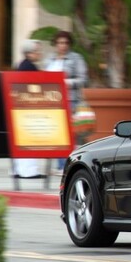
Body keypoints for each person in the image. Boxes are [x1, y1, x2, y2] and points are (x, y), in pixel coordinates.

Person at [44, 31, 88, 173]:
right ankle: (59, 164)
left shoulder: (76, 58)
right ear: (55, 44)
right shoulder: (50, 59)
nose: (62, 46)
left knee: (68, 133)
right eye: (60, 43)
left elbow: (83, 79)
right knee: (56, 133)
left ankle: (66, 165)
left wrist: (66, 82)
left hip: (70, 99)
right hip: (52, 100)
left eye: (65, 43)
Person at [13, 40, 44, 178]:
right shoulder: (29, 67)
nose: (39, 54)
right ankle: (28, 171)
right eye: (36, 51)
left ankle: (20, 169)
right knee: (29, 139)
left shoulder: (21, 65)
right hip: (29, 108)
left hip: (21, 108)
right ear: (29, 53)